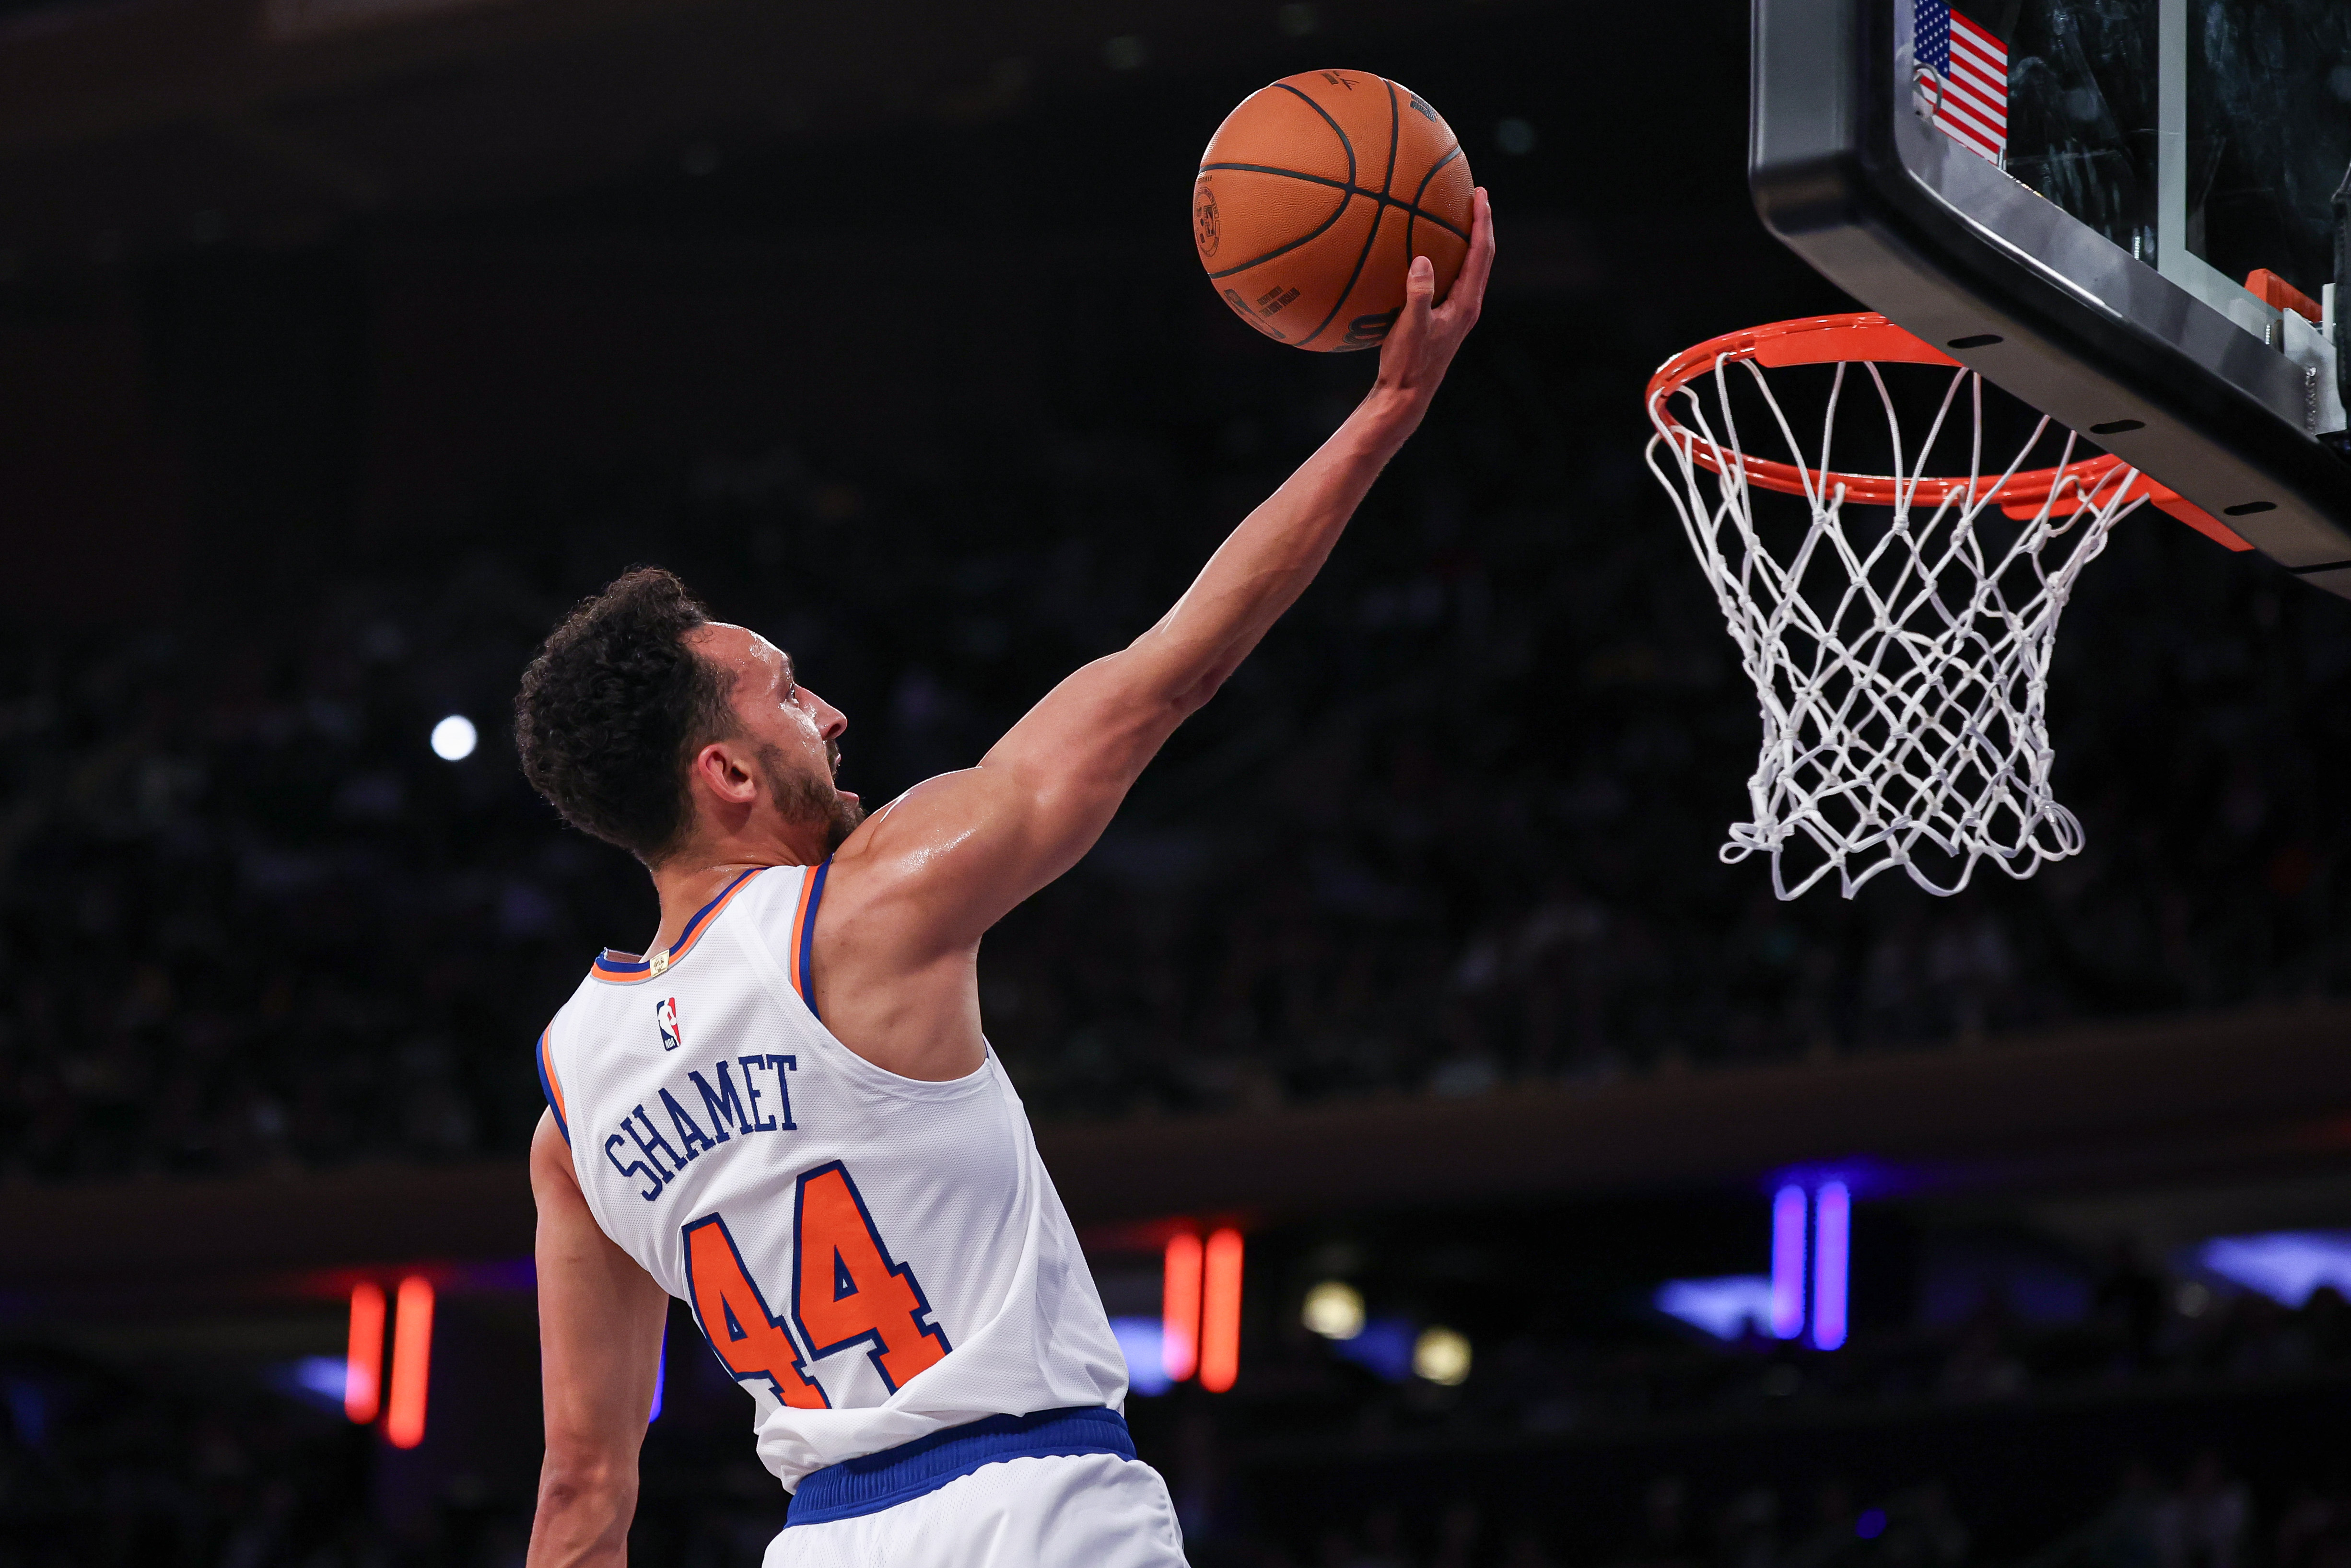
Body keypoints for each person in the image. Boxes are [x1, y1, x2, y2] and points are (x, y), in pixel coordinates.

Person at [513, 191, 1494, 1568]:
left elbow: (579, 1494)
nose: (832, 712)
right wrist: (1386, 412)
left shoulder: (574, 1104)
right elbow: (1172, 675)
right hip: (1033, 1511)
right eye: (789, 697)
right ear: (726, 775)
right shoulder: (863, 911)